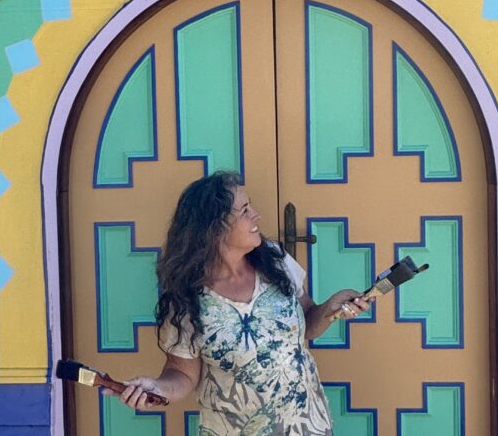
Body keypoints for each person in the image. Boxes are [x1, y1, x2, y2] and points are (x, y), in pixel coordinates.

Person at [108, 171, 371, 434]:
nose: (256, 214)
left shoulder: (275, 261)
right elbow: (183, 373)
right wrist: (156, 388)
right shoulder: (186, 299)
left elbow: (307, 323)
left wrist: (329, 309)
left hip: (305, 425)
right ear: (214, 228)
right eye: (244, 210)